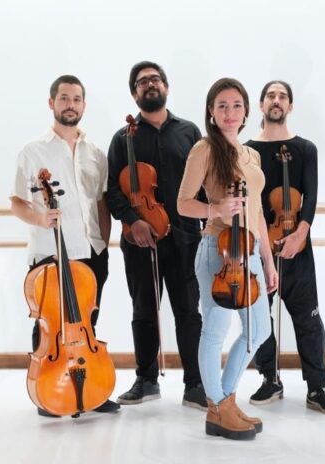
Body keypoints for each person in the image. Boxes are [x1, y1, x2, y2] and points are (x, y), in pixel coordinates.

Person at [11, 74, 120, 416]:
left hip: (91, 251)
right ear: (51, 103)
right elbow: (17, 202)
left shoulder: (95, 153)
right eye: (64, 98)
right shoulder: (33, 151)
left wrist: (103, 244)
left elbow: (101, 203)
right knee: (49, 324)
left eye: (76, 99)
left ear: (83, 105)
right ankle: (49, 393)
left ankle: (92, 389)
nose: (70, 105)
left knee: (87, 321)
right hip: (51, 252)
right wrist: (40, 218)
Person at [177, 78, 278, 440]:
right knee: (215, 330)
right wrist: (215, 208)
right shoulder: (204, 149)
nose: (230, 112)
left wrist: (268, 261)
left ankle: (226, 400)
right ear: (211, 111)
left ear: (247, 111)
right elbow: (183, 203)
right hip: (217, 251)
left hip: (250, 252)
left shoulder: (252, 155)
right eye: (222, 105)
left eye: (236, 105)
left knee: (259, 330)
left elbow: (258, 213)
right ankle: (217, 407)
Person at [106, 61, 206, 410]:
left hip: (185, 237)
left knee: (188, 311)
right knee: (144, 310)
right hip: (140, 241)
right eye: (141, 82)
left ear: (166, 86)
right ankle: (146, 380)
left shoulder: (189, 132)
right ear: (134, 94)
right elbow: (112, 190)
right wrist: (133, 221)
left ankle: (195, 383)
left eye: (155, 79)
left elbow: (203, 183)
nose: (150, 84)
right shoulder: (123, 138)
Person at [244, 80, 325, 417]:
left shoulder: (305, 149)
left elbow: (310, 197)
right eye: (270, 96)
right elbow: (250, 203)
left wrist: (300, 234)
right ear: (261, 105)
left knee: (309, 318)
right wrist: (263, 248)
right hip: (259, 247)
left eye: (282, 96)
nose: (276, 100)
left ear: (290, 106)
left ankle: (317, 387)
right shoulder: (247, 151)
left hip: (298, 247)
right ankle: (269, 378)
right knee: (260, 318)